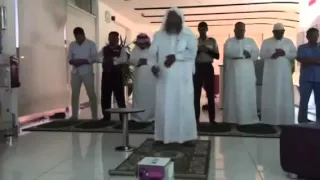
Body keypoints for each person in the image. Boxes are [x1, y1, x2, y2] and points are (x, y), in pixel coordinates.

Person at [148, 7, 198, 145]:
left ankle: (186, 137)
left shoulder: (188, 34)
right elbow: (152, 55)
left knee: (183, 106)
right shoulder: (159, 35)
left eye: (175, 19)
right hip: (164, 79)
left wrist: (176, 57)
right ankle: (162, 136)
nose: (172, 22)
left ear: (181, 20)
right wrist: (153, 66)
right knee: (165, 106)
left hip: (183, 79)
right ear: (166, 20)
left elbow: (192, 54)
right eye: (170, 19)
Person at [223, 22, 260, 125]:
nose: (240, 32)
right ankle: (231, 119)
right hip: (233, 75)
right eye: (238, 30)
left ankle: (248, 119)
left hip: (247, 75)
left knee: (246, 94)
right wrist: (242, 54)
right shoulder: (229, 42)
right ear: (234, 30)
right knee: (233, 95)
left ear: (245, 30)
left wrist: (249, 55)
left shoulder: (251, 41)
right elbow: (228, 52)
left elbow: (256, 53)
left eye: (242, 30)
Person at [260, 23, 297, 125]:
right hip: (270, 75)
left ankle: (286, 121)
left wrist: (284, 53)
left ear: (284, 32)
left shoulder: (289, 42)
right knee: (271, 95)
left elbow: (294, 54)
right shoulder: (266, 42)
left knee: (284, 95)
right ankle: (269, 121)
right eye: (277, 32)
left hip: (284, 76)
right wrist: (272, 54)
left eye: (281, 32)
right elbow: (261, 54)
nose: (279, 34)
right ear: (273, 32)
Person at [68, 27, 98, 120]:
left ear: (83, 34)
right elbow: (69, 59)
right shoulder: (72, 45)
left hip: (87, 72)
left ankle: (94, 116)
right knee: (74, 95)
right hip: (75, 72)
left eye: (79, 37)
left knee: (91, 94)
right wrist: (74, 62)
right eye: (76, 37)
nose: (78, 39)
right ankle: (74, 115)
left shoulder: (91, 44)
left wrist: (83, 61)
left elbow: (94, 58)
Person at [194, 22, 219, 124]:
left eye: (204, 29)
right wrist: (199, 50)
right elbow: (190, 55)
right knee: (196, 94)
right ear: (198, 30)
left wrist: (207, 50)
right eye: (201, 29)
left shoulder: (212, 41)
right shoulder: (194, 41)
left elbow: (217, 56)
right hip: (198, 67)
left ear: (207, 29)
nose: (202, 31)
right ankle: (195, 120)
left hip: (208, 67)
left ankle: (212, 120)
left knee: (210, 94)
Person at [100, 31, 127, 122]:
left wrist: (114, 60)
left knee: (120, 97)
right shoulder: (104, 49)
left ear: (117, 39)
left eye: (114, 38)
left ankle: (122, 118)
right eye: (110, 38)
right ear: (108, 38)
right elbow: (96, 57)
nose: (112, 39)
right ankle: (106, 117)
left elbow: (124, 59)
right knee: (105, 97)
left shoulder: (121, 49)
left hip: (117, 75)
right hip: (106, 74)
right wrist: (103, 59)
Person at [129, 33, 156, 122]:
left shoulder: (153, 49)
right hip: (139, 77)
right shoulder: (135, 49)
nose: (141, 46)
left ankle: (151, 117)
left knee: (150, 96)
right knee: (138, 96)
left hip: (150, 78)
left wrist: (147, 62)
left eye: (143, 44)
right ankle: (136, 117)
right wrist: (138, 61)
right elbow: (131, 60)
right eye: (140, 44)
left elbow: (157, 61)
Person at [297, 28, 320, 123]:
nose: (315, 38)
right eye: (313, 36)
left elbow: (307, 60)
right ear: (307, 36)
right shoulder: (302, 48)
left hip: (318, 78)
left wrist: (310, 60)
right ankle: (302, 120)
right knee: (304, 101)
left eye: (317, 35)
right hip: (306, 79)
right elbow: (302, 60)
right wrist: (316, 61)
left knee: (319, 102)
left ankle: (319, 121)